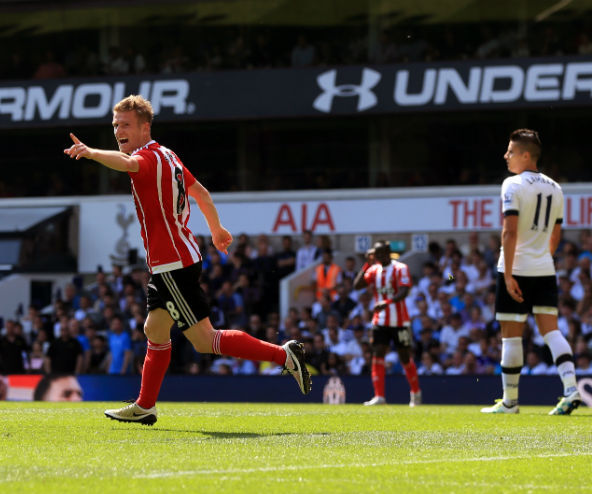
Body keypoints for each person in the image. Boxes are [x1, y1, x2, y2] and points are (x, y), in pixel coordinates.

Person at [64, 94, 311, 425]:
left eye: (125, 125)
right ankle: (145, 405)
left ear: (144, 127)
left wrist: (91, 152)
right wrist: (217, 229)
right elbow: (202, 194)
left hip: (172, 264)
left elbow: (127, 164)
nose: (118, 131)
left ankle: (284, 355)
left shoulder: (147, 158)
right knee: (154, 328)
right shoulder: (170, 155)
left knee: (205, 341)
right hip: (175, 259)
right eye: (115, 125)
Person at [481, 129, 581, 415]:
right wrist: (543, 259)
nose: (506, 156)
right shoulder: (555, 187)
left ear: (526, 155)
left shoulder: (512, 184)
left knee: (511, 335)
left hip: (517, 267)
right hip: (544, 268)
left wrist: (510, 274)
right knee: (551, 331)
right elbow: (556, 233)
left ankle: (510, 402)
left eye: (510, 151)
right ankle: (571, 389)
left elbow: (509, 232)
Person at [354, 241, 422, 407]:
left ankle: (415, 392)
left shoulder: (400, 268)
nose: (379, 256)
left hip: (400, 321)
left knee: (405, 357)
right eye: (376, 254)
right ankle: (379, 396)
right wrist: (366, 264)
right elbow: (357, 285)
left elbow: (405, 291)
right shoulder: (373, 270)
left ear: (388, 253)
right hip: (380, 320)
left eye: (381, 253)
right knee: (377, 354)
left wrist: (387, 302)